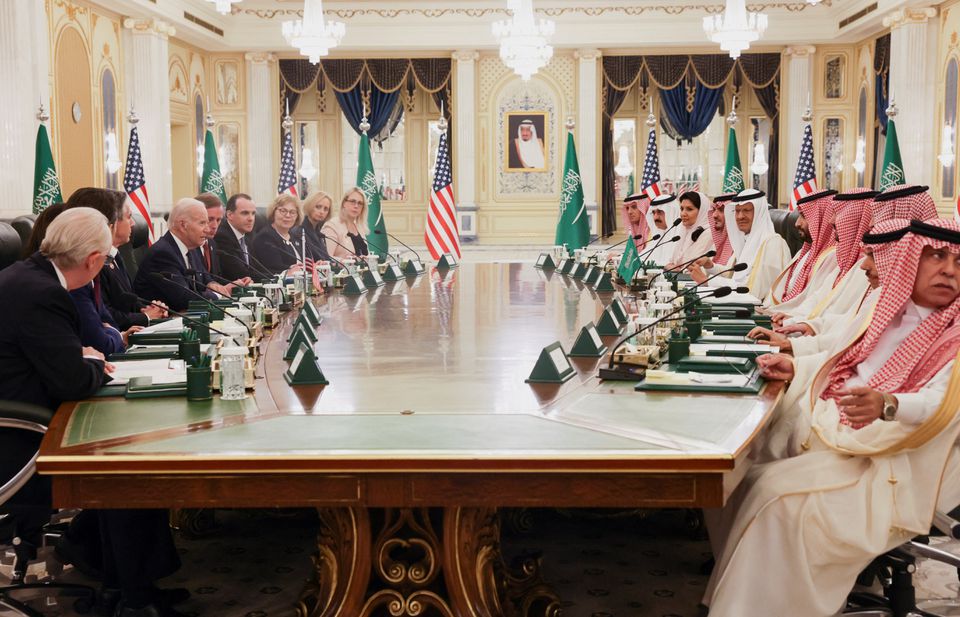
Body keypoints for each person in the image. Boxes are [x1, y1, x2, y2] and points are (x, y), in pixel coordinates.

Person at [705, 219, 960, 617]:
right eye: (937, 256)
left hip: (899, 470)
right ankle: (731, 602)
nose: (948, 269)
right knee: (756, 480)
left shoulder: (954, 332)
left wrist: (889, 404)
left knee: (781, 504)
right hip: (856, 449)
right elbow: (844, 362)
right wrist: (796, 368)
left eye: (959, 262)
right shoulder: (893, 313)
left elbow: (942, 403)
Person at [65, 188, 167, 331]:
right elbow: (104, 315)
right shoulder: (90, 262)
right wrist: (146, 317)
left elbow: (124, 298)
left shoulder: (116, 255)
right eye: (128, 217)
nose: (133, 223)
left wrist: (146, 309)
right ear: (109, 222)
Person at [134, 198, 233, 312]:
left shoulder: (191, 248)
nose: (207, 229)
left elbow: (203, 281)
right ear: (182, 225)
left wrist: (217, 286)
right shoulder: (163, 253)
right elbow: (184, 299)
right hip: (160, 323)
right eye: (202, 223)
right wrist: (219, 295)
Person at [689, 188, 790, 299]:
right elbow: (733, 276)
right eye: (737, 211)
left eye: (746, 210)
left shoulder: (773, 244)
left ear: (758, 213)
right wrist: (710, 265)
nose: (740, 216)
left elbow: (753, 291)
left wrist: (708, 281)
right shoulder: (747, 241)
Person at [764, 189, 839, 308]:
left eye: (804, 216)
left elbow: (811, 303)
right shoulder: (803, 253)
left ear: (821, 218)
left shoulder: (833, 257)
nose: (797, 223)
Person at [251, 193, 312, 274]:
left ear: (297, 216)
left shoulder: (297, 237)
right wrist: (291, 271)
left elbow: (306, 260)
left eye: (292, 212)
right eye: (283, 211)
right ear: (273, 212)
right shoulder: (265, 237)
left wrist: (314, 266)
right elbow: (274, 269)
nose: (287, 215)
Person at [215, 193, 262, 281]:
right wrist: (277, 277)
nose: (251, 218)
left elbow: (257, 269)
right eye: (245, 213)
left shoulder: (247, 235)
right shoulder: (222, 236)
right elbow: (240, 274)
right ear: (229, 215)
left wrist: (283, 275)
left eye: (253, 213)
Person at [665, 191, 713, 270]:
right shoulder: (684, 231)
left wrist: (675, 268)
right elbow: (672, 263)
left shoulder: (708, 233)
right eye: (682, 209)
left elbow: (691, 267)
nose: (683, 213)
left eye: (689, 209)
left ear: (702, 211)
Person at [322, 188, 370, 260]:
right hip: (343, 271)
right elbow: (326, 258)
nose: (356, 206)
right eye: (353, 201)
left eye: (360, 203)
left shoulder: (360, 228)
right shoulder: (332, 226)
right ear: (344, 203)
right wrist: (351, 261)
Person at [296, 190, 333, 261]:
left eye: (326, 209)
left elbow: (326, 258)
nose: (322, 212)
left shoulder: (319, 233)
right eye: (318, 207)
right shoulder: (300, 231)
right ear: (310, 205)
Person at [644, 193, 679, 265]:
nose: (655, 217)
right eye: (653, 213)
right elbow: (645, 258)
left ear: (671, 212)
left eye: (660, 212)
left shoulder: (679, 237)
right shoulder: (657, 236)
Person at [708, 193, 735, 267]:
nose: (714, 215)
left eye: (721, 210)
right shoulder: (715, 242)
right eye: (714, 209)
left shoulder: (739, 244)